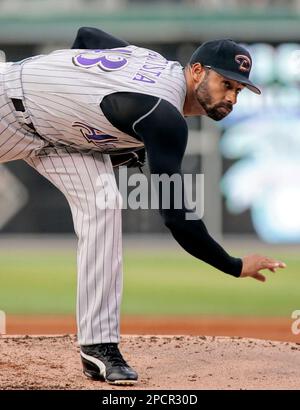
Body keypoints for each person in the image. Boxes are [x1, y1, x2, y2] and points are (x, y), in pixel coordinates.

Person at [0, 27, 286, 386]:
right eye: (225, 84)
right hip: (6, 102)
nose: (232, 96)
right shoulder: (163, 115)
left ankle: (99, 347)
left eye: (238, 89)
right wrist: (233, 265)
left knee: (103, 203)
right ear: (196, 71)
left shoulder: (153, 62)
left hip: (54, 135)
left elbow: (88, 37)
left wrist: (77, 101)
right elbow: (177, 218)